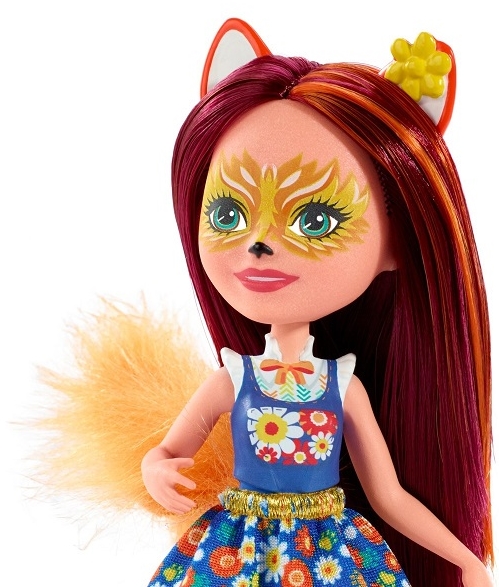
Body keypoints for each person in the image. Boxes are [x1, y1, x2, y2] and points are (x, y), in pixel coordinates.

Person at [141, 20, 493, 587]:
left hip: (328, 554)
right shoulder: (234, 379)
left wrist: (465, 558)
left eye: (316, 221)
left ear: (397, 243)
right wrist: (156, 470)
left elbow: (389, 496)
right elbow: (165, 452)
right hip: (237, 551)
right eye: (228, 214)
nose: (259, 244)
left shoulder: (341, 387)